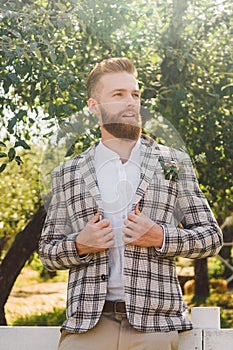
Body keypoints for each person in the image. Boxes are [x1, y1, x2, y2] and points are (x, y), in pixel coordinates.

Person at [39, 57, 223, 350]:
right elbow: (47, 252)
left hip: (154, 325)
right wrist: (79, 245)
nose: (131, 103)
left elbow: (211, 238)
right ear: (93, 107)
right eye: (118, 95)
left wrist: (161, 237)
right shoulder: (68, 172)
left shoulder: (174, 163)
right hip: (88, 326)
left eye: (135, 94)